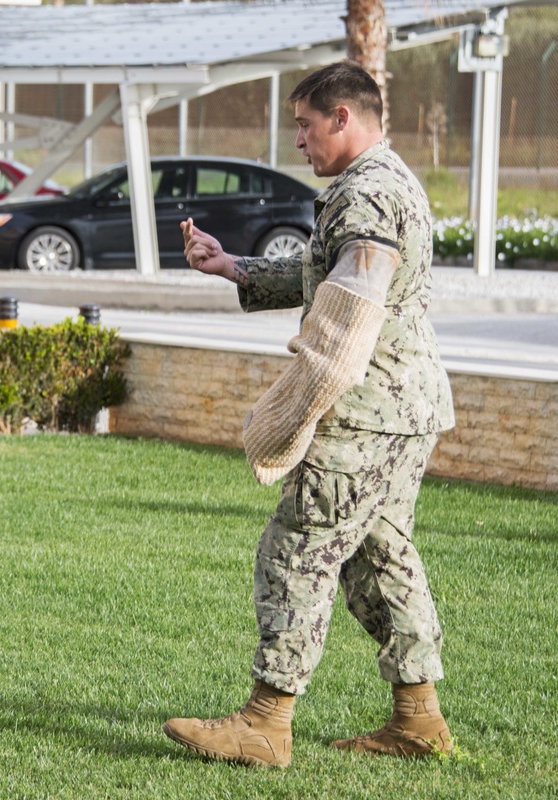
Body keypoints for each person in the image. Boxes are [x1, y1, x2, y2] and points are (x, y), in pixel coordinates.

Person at [161, 61, 455, 768]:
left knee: (295, 554)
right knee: (380, 560)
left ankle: (265, 722)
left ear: (344, 118)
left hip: (360, 415)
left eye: (305, 124)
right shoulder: (383, 182)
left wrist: (301, 401)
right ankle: (418, 719)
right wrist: (233, 266)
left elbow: (354, 299)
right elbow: (324, 272)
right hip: (405, 409)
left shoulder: (367, 199)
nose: (298, 139)